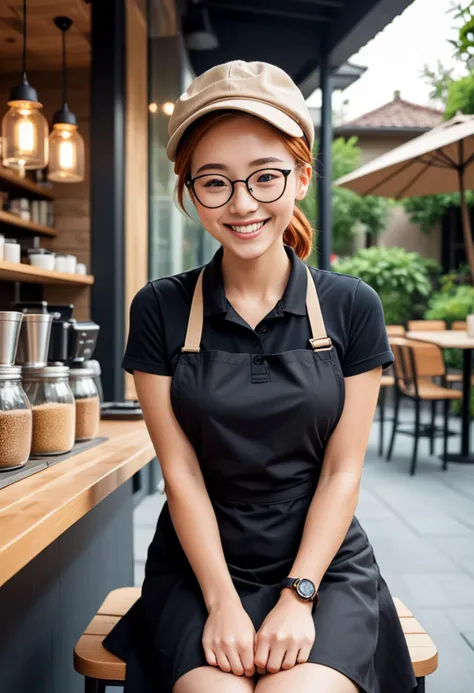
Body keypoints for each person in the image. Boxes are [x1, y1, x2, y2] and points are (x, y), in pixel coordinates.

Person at [103, 60, 417, 693]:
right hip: (200, 565)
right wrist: (220, 601)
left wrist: (299, 596)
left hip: (322, 563)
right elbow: (181, 472)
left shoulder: (353, 306)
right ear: (190, 192)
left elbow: (342, 472)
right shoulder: (160, 309)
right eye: (214, 182)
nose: (242, 204)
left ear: (301, 176)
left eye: (265, 178)